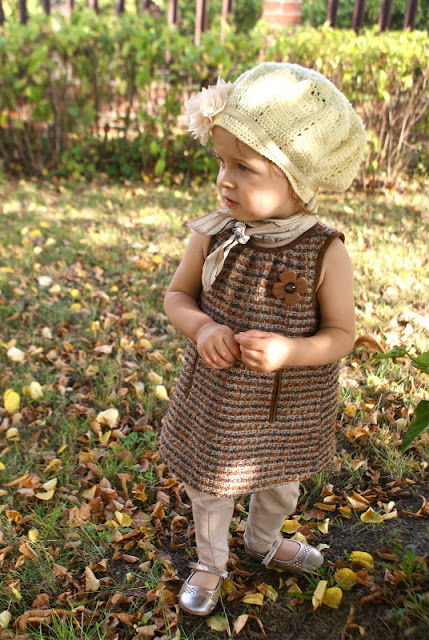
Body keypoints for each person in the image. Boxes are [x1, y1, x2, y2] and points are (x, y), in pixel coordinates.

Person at [159, 62, 366, 616]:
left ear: (297, 178)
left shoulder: (325, 251)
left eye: (244, 167)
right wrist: (202, 326)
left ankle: (264, 539)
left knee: (279, 481)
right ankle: (210, 561)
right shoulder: (213, 234)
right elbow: (176, 296)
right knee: (212, 484)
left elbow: (342, 334)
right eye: (221, 162)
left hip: (288, 401)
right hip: (221, 394)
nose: (224, 180)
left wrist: (290, 351)